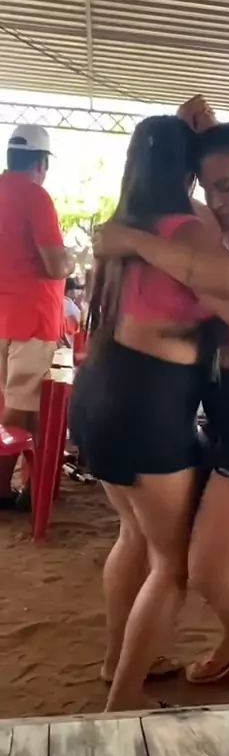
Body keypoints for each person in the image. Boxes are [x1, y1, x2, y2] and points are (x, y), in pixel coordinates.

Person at [71, 114, 229, 711]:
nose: (217, 201)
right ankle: (127, 690)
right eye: (208, 186)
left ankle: (135, 672)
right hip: (178, 408)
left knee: (182, 558)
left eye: (228, 186)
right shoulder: (192, 231)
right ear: (187, 177)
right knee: (176, 563)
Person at [0, 124, 71, 507]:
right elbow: (56, 265)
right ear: (42, 163)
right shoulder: (35, 196)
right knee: (24, 408)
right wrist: (71, 261)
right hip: (31, 318)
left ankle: (26, 487)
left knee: (10, 402)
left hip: (3, 315)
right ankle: (11, 489)